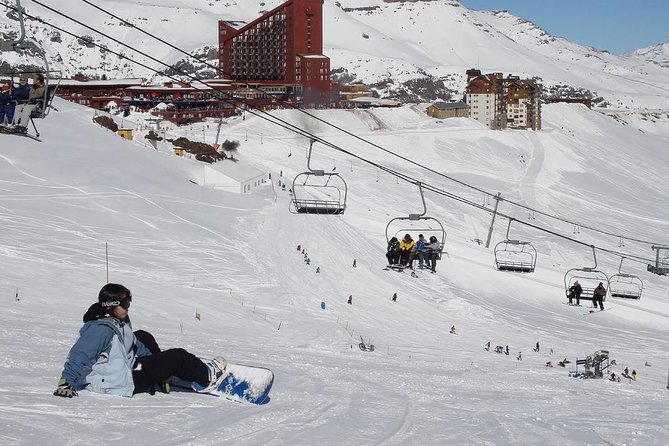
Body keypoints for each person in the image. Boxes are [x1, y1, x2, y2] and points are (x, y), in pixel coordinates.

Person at [53, 283, 228, 398]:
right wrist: (66, 382)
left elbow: (134, 343)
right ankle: (207, 377)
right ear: (111, 306)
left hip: (122, 369)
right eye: (125, 304)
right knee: (178, 357)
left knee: (143, 336)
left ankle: (162, 376)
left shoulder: (115, 322)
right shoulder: (101, 329)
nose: (128, 308)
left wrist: (157, 363)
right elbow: (80, 354)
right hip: (119, 381)